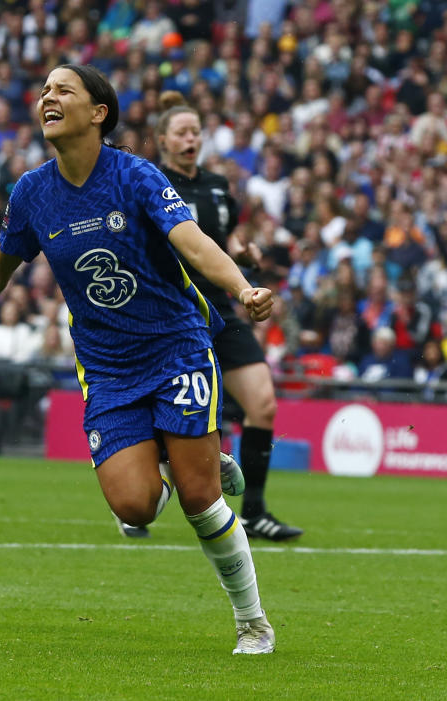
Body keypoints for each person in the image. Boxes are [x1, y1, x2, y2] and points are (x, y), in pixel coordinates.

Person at [0, 64, 276, 654]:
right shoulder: (32, 192)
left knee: (200, 500)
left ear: (98, 112)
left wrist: (241, 288)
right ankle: (197, 451)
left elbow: (190, 240)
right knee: (134, 507)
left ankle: (252, 622)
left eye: (63, 90)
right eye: (45, 91)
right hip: (107, 366)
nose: (47, 98)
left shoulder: (135, 176)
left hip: (176, 346)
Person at [130, 91, 303, 542]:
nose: (191, 139)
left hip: (222, 306)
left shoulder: (218, 186)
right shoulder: (148, 182)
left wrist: (243, 252)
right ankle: (135, 495)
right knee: (162, 413)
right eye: (181, 132)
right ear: (163, 140)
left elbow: (221, 239)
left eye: (196, 132)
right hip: (172, 310)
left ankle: (256, 511)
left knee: (262, 403)